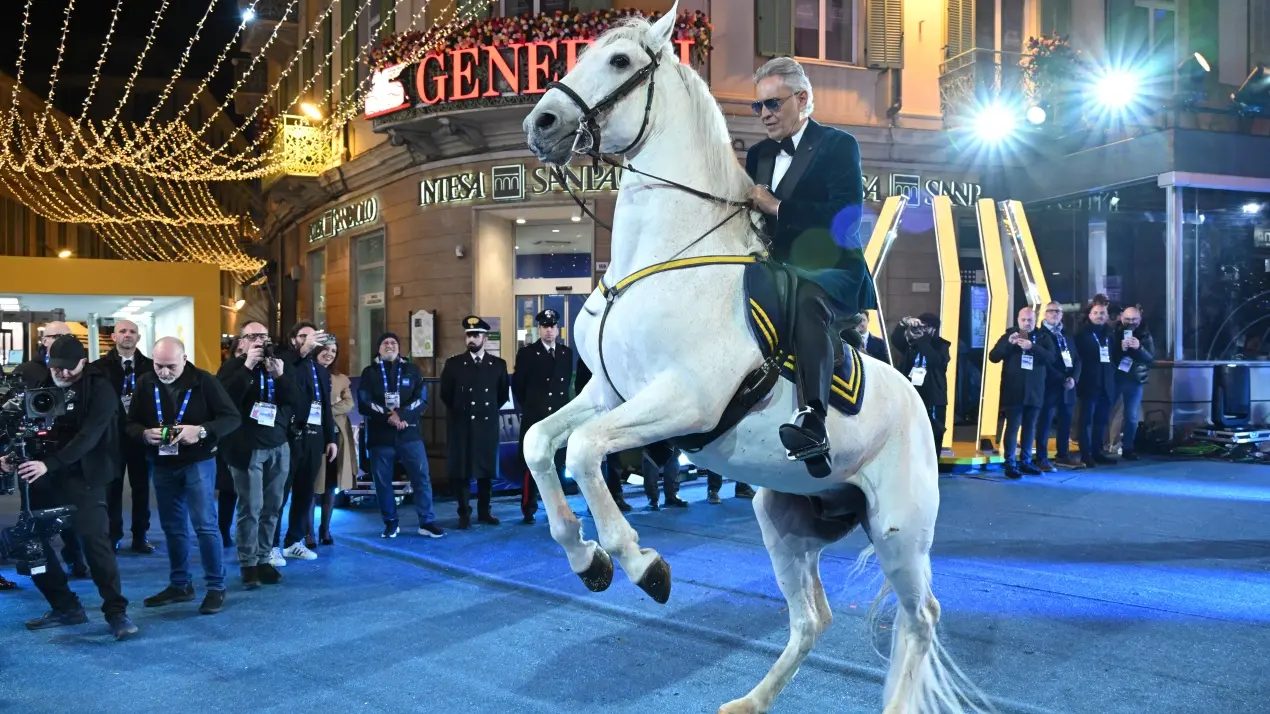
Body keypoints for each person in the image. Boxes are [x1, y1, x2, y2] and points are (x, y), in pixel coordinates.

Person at [743, 56, 874, 468]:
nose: (764, 115)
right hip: (776, 266)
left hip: (830, 269)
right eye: (758, 107)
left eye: (773, 104)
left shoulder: (838, 144)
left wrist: (777, 206)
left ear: (802, 99)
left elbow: (846, 216)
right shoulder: (759, 155)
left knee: (804, 300)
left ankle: (814, 419)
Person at [0, 335, 138, 639]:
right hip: (41, 477)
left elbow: (88, 438)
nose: (61, 373)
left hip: (84, 478)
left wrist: (50, 463)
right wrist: (10, 457)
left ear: (83, 362)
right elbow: (25, 430)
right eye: (55, 367)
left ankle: (116, 612)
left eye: (68, 368)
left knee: (96, 545)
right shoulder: (38, 383)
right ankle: (65, 607)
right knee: (32, 544)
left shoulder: (100, 388)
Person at [126, 337, 241, 615]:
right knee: (172, 527)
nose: (164, 372)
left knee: (205, 525)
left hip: (198, 462)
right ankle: (180, 585)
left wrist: (200, 431)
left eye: (171, 366)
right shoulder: (145, 382)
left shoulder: (205, 381)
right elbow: (129, 423)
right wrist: (143, 434)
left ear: (185, 359)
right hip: (163, 463)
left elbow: (232, 418)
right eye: (158, 365)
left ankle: (216, 587)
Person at [216, 322, 302, 587]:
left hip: (278, 445)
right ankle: (248, 562)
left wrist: (281, 377)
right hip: (246, 447)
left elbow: (298, 402)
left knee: (273, 507)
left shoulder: (278, 364)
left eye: (263, 336)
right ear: (241, 342)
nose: (258, 341)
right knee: (250, 508)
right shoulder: (232, 368)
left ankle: (264, 557)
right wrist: (247, 368)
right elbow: (224, 402)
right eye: (252, 336)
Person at [359, 332, 442, 538]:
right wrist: (389, 417)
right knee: (383, 481)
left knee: (421, 478)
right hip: (380, 436)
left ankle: (427, 522)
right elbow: (364, 401)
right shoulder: (369, 372)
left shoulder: (412, 370)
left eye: (393, 342)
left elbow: (421, 398)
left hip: (409, 433)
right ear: (378, 348)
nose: (389, 345)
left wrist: (402, 414)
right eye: (385, 342)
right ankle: (390, 522)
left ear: (399, 347)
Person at [275, 322, 338, 561]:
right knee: (279, 492)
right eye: (304, 337)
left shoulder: (320, 369)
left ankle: (294, 540)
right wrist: (301, 353)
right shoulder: (286, 362)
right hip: (289, 435)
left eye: (314, 337)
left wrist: (331, 438)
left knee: (306, 490)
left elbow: (325, 407)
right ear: (294, 340)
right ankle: (271, 544)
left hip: (315, 436)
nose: (310, 341)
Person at [92, 319, 155, 554]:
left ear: (138, 338)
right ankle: (113, 535)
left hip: (141, 436)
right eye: (123, 331)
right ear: (114, 337)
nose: (128, 335)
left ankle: (141, 535)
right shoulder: (98, 368)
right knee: (112, 489)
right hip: (111, 438)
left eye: (132, 332)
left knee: (142, 489)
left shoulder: (151, 366)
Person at [440, 317, 509, 528]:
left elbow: (502, 395)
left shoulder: (497, 365)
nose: (471, 338)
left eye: (476, 335)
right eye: (469, 335)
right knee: (462, 472)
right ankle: (464, 513)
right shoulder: (454, 364)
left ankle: (484, 511)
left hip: (486, 425)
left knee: (485, 472)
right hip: (461, 425)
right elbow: (446, 395)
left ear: (485, 338)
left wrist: (484, 411)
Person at [512, 309, 574, 524]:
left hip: (558, 416)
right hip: (535, 418)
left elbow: (565, 386)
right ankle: (529, 506)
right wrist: (531, 408)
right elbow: (518, 386)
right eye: (545, 326)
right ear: (539, 329)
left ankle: (557, 508)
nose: (549, 330)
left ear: (558, 329)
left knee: (556, 462)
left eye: (553, 326)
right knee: (533, 462)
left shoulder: (566, 353)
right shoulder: (528, 353)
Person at [988, 307, 1053, 478]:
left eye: (1030, 320)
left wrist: (1033, 347)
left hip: (1035, 390)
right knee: (1013, 427)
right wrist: (1009, 343)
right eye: (1023, 320)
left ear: (1035, 320)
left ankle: (1026, 461)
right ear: (1018, 320)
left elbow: (1052, 358)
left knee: (1030, 427)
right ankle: (1010, 463)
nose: (1026, 323)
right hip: (1014, 390)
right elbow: (993, 356)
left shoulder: (1043, 337)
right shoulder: (1009, 336)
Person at [313, 339, 354, 546]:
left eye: (334, 351)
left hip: (335, 437)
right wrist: (332, 406)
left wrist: (323, 411)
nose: (329, 354)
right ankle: (307, 532)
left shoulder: (341, 379)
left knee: (330, 484)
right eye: (325, 349)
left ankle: (325, 529)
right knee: (311, 485)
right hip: (312, 436)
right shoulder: (305, 374)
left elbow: (349, 404)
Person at [890, 314, 951, 452]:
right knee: (912, 430)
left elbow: (935, 360)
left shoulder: (941, 345)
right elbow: (896, 340)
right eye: (920, 326)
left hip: (933, 396)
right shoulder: (912, 344)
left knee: (934, 430)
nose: (921, 329)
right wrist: (903, 323)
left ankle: (933, 464)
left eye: (925, 326)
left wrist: (923, 338)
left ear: (933, 329)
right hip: (913, 393)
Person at [1036, 301, 1081, 471]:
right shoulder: (1040, 335)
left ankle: (1063, 455)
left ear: (1062, 315)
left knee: (1066, 421)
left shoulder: (1067, 334)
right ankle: (1041, 458)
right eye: (1051, 311)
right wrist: (1062, 378)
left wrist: (1073, 378)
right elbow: (1045, 361)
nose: (1054, 314)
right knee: (1045, 422)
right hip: (1050, 384)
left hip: (1069, 385)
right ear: (1045, 314)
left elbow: (1077, 359)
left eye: (1058, 312)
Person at [1074, 302, 1117, 467]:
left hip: (1106, 384)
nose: (1100, 316)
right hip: (1088, 383)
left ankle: (1097, 452)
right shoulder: (1082, 335)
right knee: (1086, 421)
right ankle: (1086, 454)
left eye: (1102, 313)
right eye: (1096, 313)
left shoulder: (1109, 334)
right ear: (1089, 315)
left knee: (1101, 420)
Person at [1110, 306, 1154, 461]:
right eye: (1127, 319)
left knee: (1132, 416)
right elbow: (1108, 355)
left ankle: (1128, 447)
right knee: (1106, 413)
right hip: (1115, 377)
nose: (1131, 323)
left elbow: (1150, 358)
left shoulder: (1145, 334)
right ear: (1122, 318)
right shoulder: (1114, 332)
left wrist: (1139, 348)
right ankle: (1104, 446)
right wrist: (1119, 349)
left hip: (1134, 379)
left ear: (1139, 319)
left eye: (1134, 319)